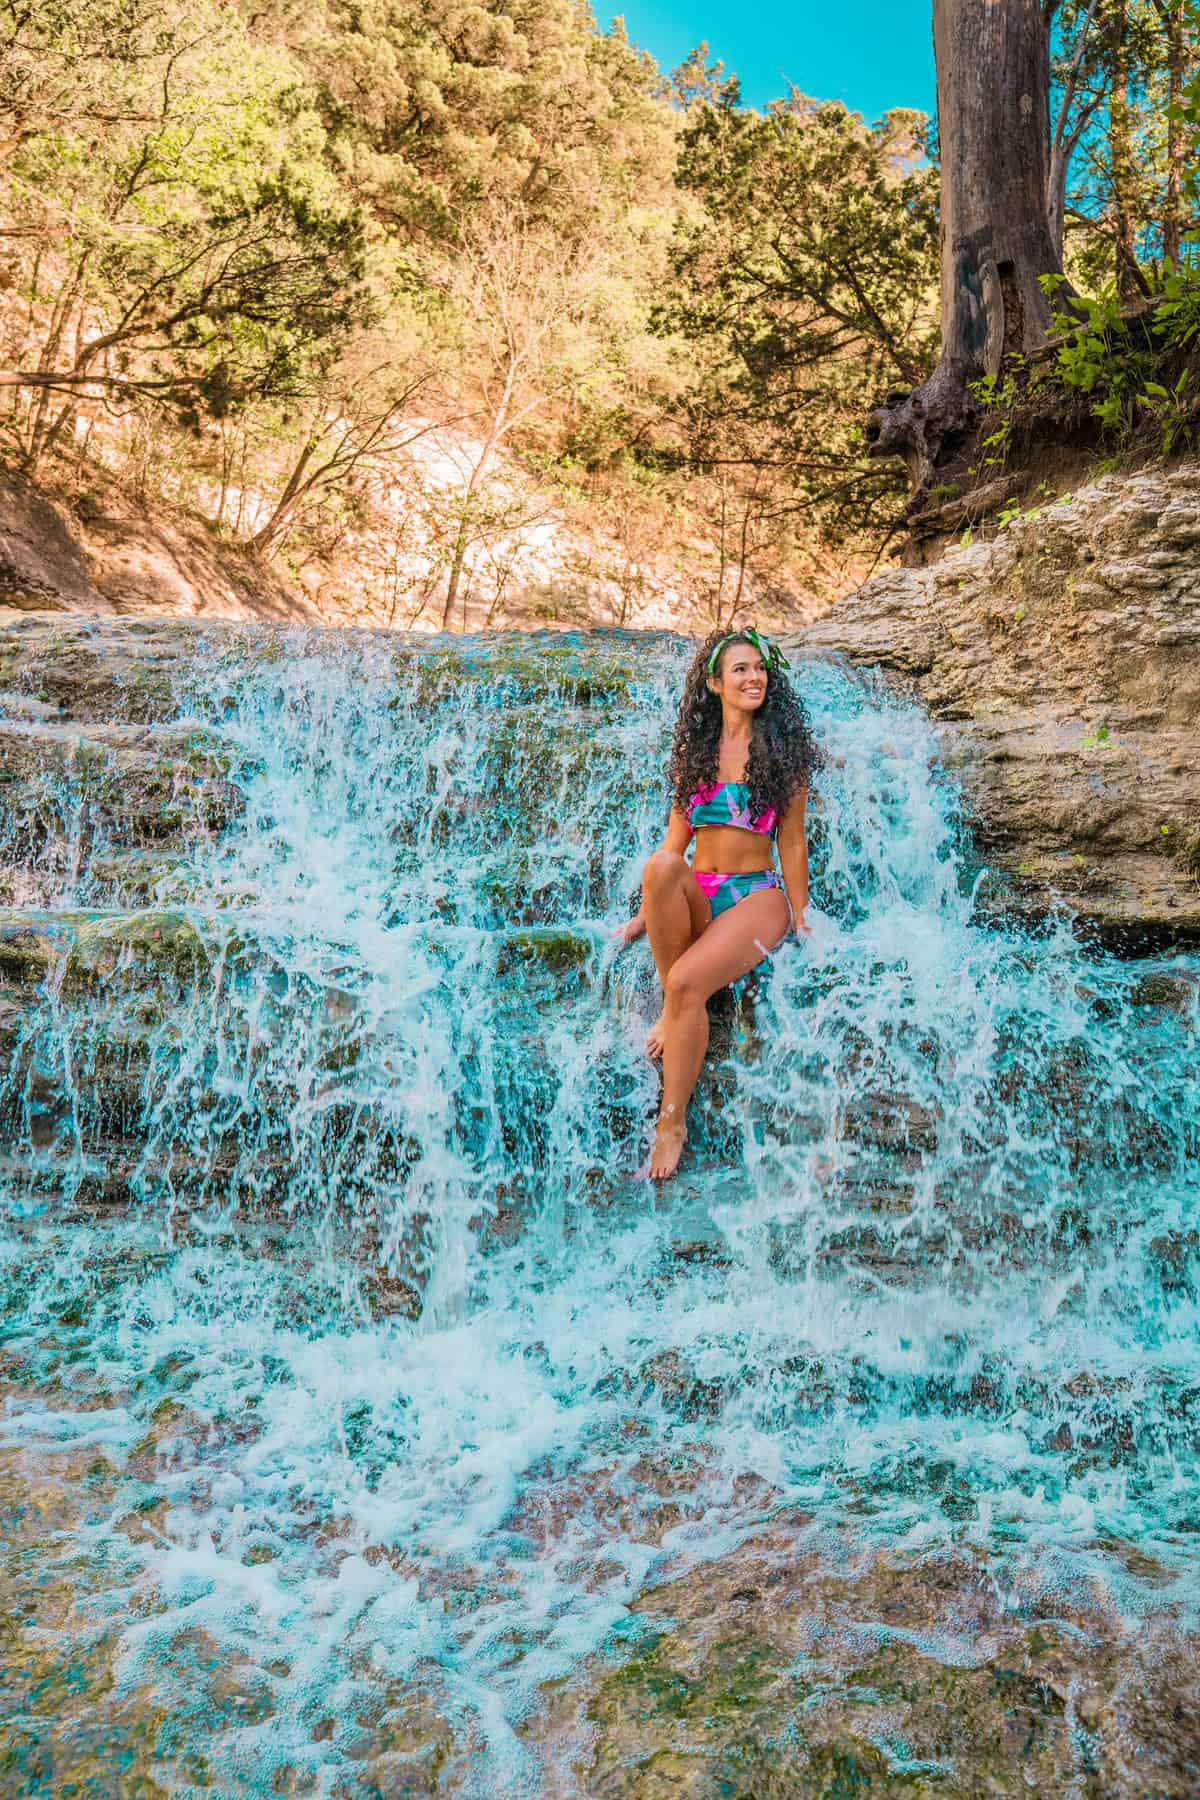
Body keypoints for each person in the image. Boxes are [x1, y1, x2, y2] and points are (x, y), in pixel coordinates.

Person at [616, 627, 819, 1181]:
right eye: (741, 670)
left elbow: (793, 841)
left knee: (686, 984)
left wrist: (802, 915)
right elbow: (672, 847)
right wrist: (643, 914)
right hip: (701, 895)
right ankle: (672, 1006)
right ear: (714, 684)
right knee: (659, 869)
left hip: (756, 895)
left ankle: (671, 1122)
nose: (754, 677)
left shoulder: (784, 752)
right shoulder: (697, 755)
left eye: (760, 668)